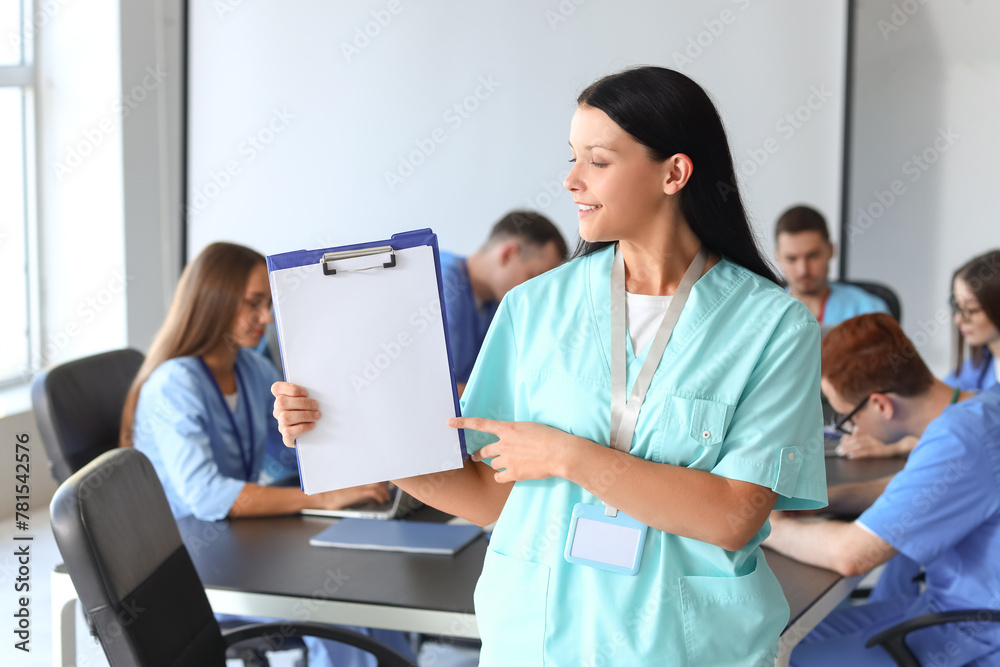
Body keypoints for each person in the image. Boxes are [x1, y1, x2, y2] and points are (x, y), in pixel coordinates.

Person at [274, 66, 827, 664]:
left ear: (674, 173)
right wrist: (352, 427)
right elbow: (491, 497)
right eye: (572, 157)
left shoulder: (773, 326)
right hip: (539, 642)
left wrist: (569, 456)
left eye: (598, 161)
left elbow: (733, 516)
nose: (570, 180)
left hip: (682, 647)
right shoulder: (533, 307)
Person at [120, 241, 413, 667]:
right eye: (254, 304)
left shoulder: (253, 369)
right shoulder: (174, 385)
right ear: (214, 300)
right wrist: (325, 497)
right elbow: (208, 496)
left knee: (372, 592)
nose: (268, 318)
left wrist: (354, 467)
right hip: (195, 564)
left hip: (242, 544)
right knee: (345, 611)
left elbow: (292, 455)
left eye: (270, 304)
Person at [764, 313, 1000, 666]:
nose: (849, 429)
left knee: (780, 658)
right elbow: (917, 488)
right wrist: (825, 500)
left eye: (847, 418)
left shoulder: (958, 439)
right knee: (778, 637)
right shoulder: (983, 407)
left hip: (971, 634)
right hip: (941, 607)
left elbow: (853, 555)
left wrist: (766, 525)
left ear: (880, 404)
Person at [836, 249, 1000, 459]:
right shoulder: (979, 366)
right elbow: (934, 405)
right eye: (956, 306)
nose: (958, 319)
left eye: (971, 310)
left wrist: (896, 445)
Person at [440, 210, 566, 389]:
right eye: (534, 278)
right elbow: (435, 389)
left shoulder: (495, 305)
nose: (537, 295)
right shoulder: (439, 282)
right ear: (507, 254)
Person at [775, 205, 890, 326]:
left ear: (830, 250)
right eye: (791, 259)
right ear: (777, 256)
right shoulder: (765, 311)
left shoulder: (871, 312)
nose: (803, 270)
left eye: (813, 256)